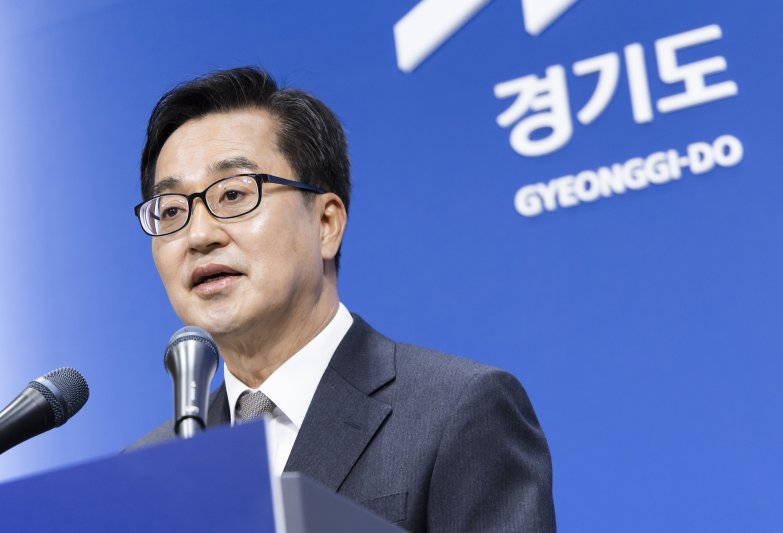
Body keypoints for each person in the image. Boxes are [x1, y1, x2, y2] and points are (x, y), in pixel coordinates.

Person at [131, 66, 556, 532]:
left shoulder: (456, 411)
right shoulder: (148, 469)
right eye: (171, 210)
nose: (199, 235)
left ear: (326, 224)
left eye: (233, 194)